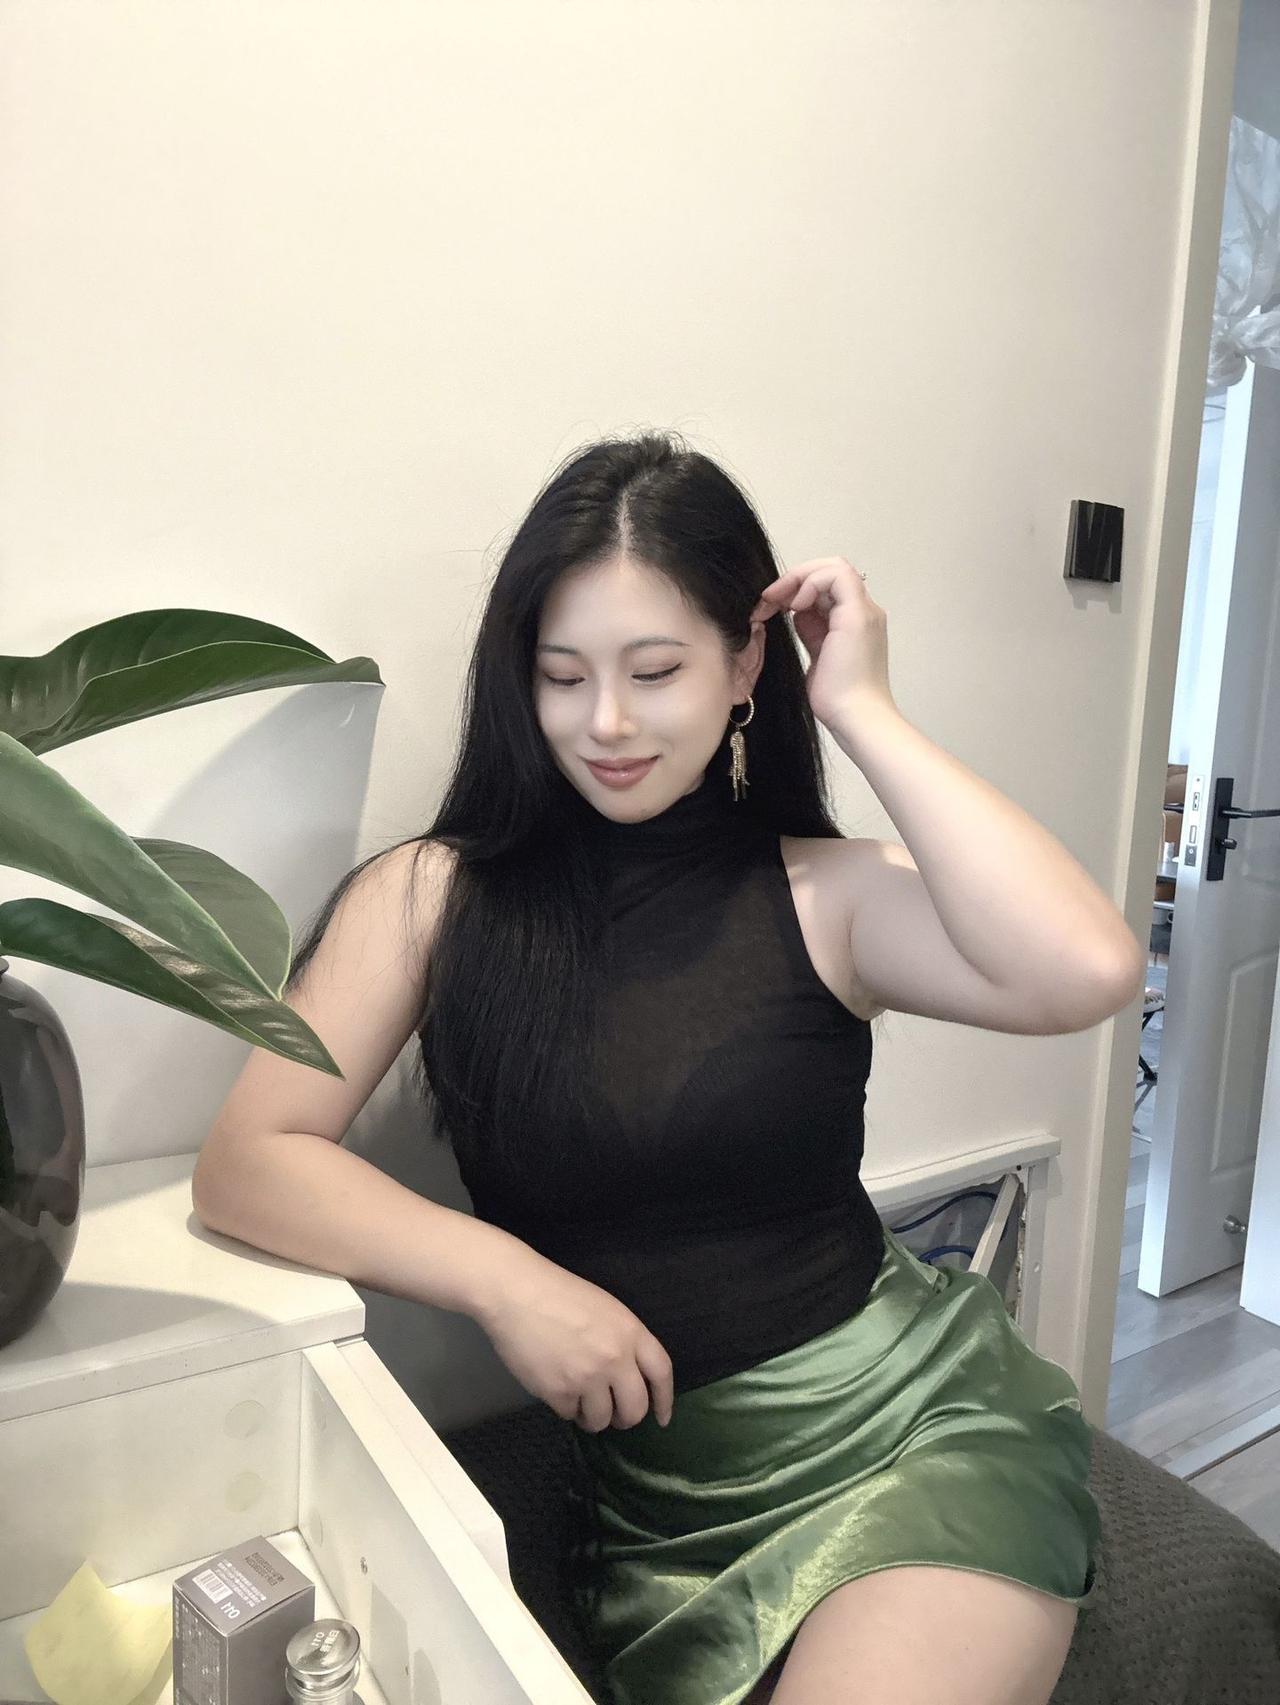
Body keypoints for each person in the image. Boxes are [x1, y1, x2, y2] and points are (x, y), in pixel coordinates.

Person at [192, 431, 1145, 1705]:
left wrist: (860, 705)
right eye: (562, 675)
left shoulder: (823, 894)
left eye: (655, 671)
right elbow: (248, 1158)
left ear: (745, 664)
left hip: (915, 1430)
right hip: (659, 1507)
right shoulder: (428, 899)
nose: (606, 721)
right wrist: (508, 1282)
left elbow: (1084, 969)